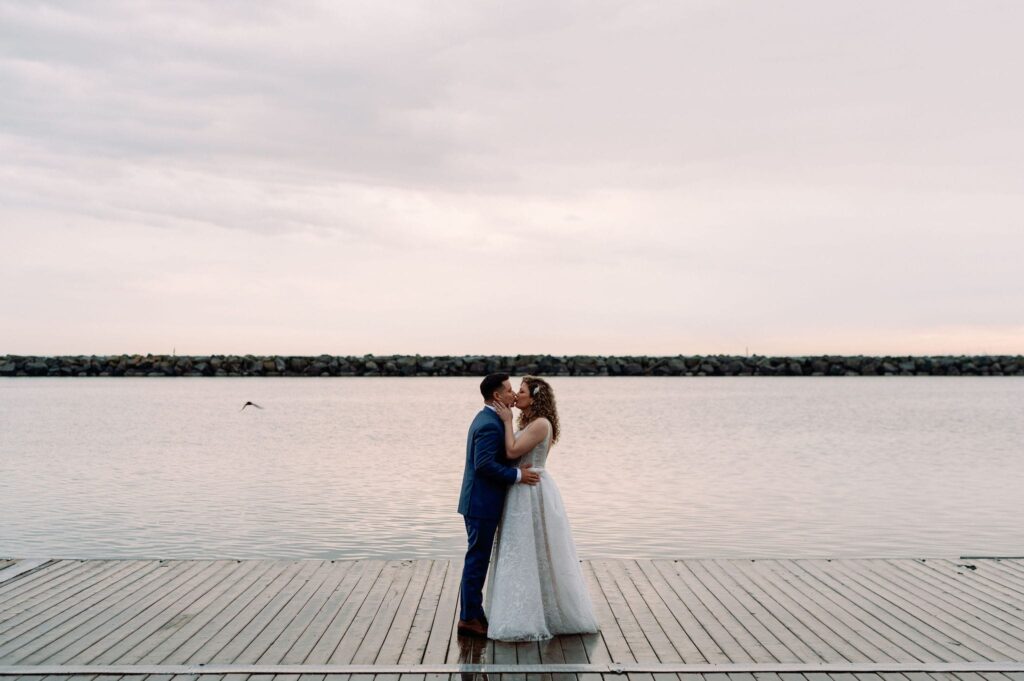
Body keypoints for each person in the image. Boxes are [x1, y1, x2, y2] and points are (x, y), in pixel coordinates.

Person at [486, 376, 599, 641]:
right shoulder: (528, 422)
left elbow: (512, 452)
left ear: (535, 398)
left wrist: (504, 421)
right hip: (522, 487)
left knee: (535, 548)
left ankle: (542, 614)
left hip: (531, 491)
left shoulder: (540, 424)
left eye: (522, 391)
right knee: (524, 550)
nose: (517, 395)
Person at [457, 373, 541, 639]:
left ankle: (474, 612)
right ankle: (469, 618)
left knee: (478, 559)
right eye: (508, 390)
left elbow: (493, 458)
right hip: (481, 503)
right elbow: (483, 465)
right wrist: (518, 476)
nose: (513, 393)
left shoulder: (489, 419)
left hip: (481, 502)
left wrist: (512, 467)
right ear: (497, 396)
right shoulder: (490, 424)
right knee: (477, 560)